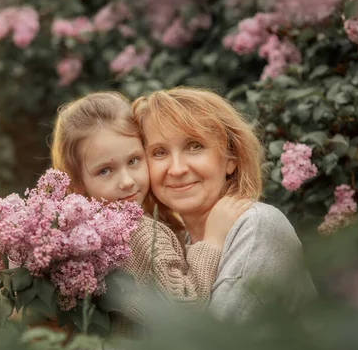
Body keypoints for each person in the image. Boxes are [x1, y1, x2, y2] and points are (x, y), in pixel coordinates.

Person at [49, 91, 251, 350]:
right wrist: (213, 241)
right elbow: (186, 309)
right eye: (105, 170)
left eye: (134, 160)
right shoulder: (137, 232)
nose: (127, 181)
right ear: (78, 184)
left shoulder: (80, 235)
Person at [131, 87, 317, 322]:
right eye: (159, 152)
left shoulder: (258, 225)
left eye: (194, 146)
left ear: (231, 160)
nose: (177, 169)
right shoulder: (178, 244)